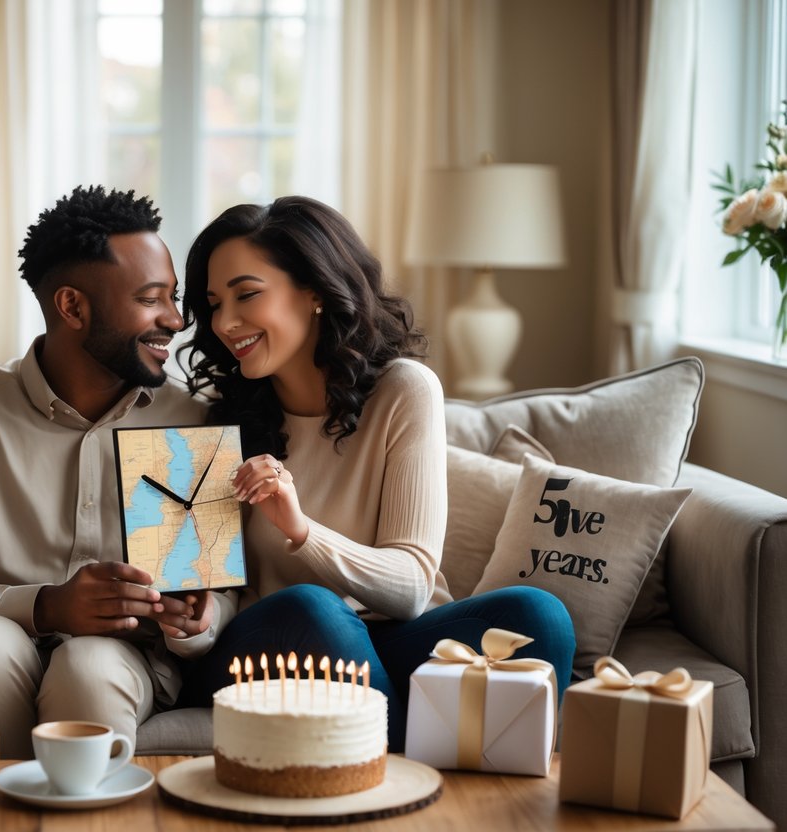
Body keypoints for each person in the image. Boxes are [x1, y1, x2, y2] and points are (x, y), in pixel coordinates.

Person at [176, 196, 575, 749]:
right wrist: (195, 618)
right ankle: (412, 775)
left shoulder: (404, 391)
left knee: (538, 614)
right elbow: (218, 593)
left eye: (247, 295)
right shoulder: (218, 418)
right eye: (213, 303)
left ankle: (414, 751)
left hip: (389, 638)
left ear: (314, 290)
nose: (224, 323)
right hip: (274, 645)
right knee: (314, 607)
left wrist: (302, 531)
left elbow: (412, 588)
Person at [0, 185, 224, 760]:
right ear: (72, 307)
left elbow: (216, 600)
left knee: (90, 665)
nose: (175, 320)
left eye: (173, 298)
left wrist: (196, 615)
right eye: (152, 299)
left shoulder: (188, 420)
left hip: (122, 660)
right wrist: (48, 606)